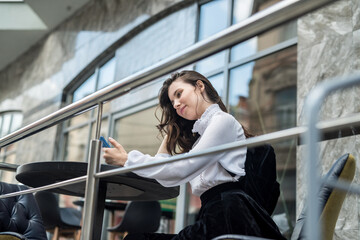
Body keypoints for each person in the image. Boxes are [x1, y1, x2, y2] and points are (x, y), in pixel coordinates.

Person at [103, 70, 285, 240]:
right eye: (172, 103)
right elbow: (166, 177)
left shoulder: (223, 121)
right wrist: (171, 130)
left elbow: (183, 168)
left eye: (179, 94)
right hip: (213, 215)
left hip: (228, 216)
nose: (175, 104)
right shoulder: (201, 137)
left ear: (200, 86)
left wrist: (127, 159)